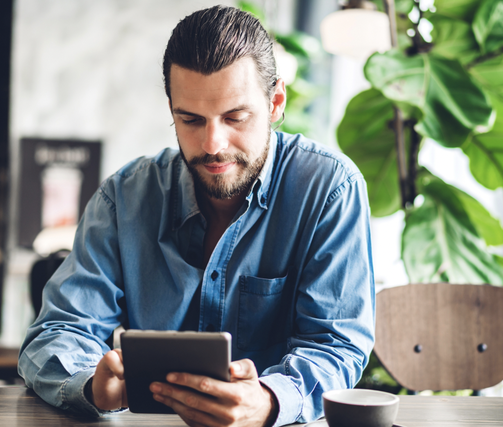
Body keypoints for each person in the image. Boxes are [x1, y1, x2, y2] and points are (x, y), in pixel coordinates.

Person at [19, 5, 375, 427]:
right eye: (190, 119)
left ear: (276, 101)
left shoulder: (330, 189)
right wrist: (91, 385)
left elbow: (337, 345)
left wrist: (269, 399)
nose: (212, 144)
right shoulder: (124, 198)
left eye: (235, 117)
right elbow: (57, 332)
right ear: (171, 110)